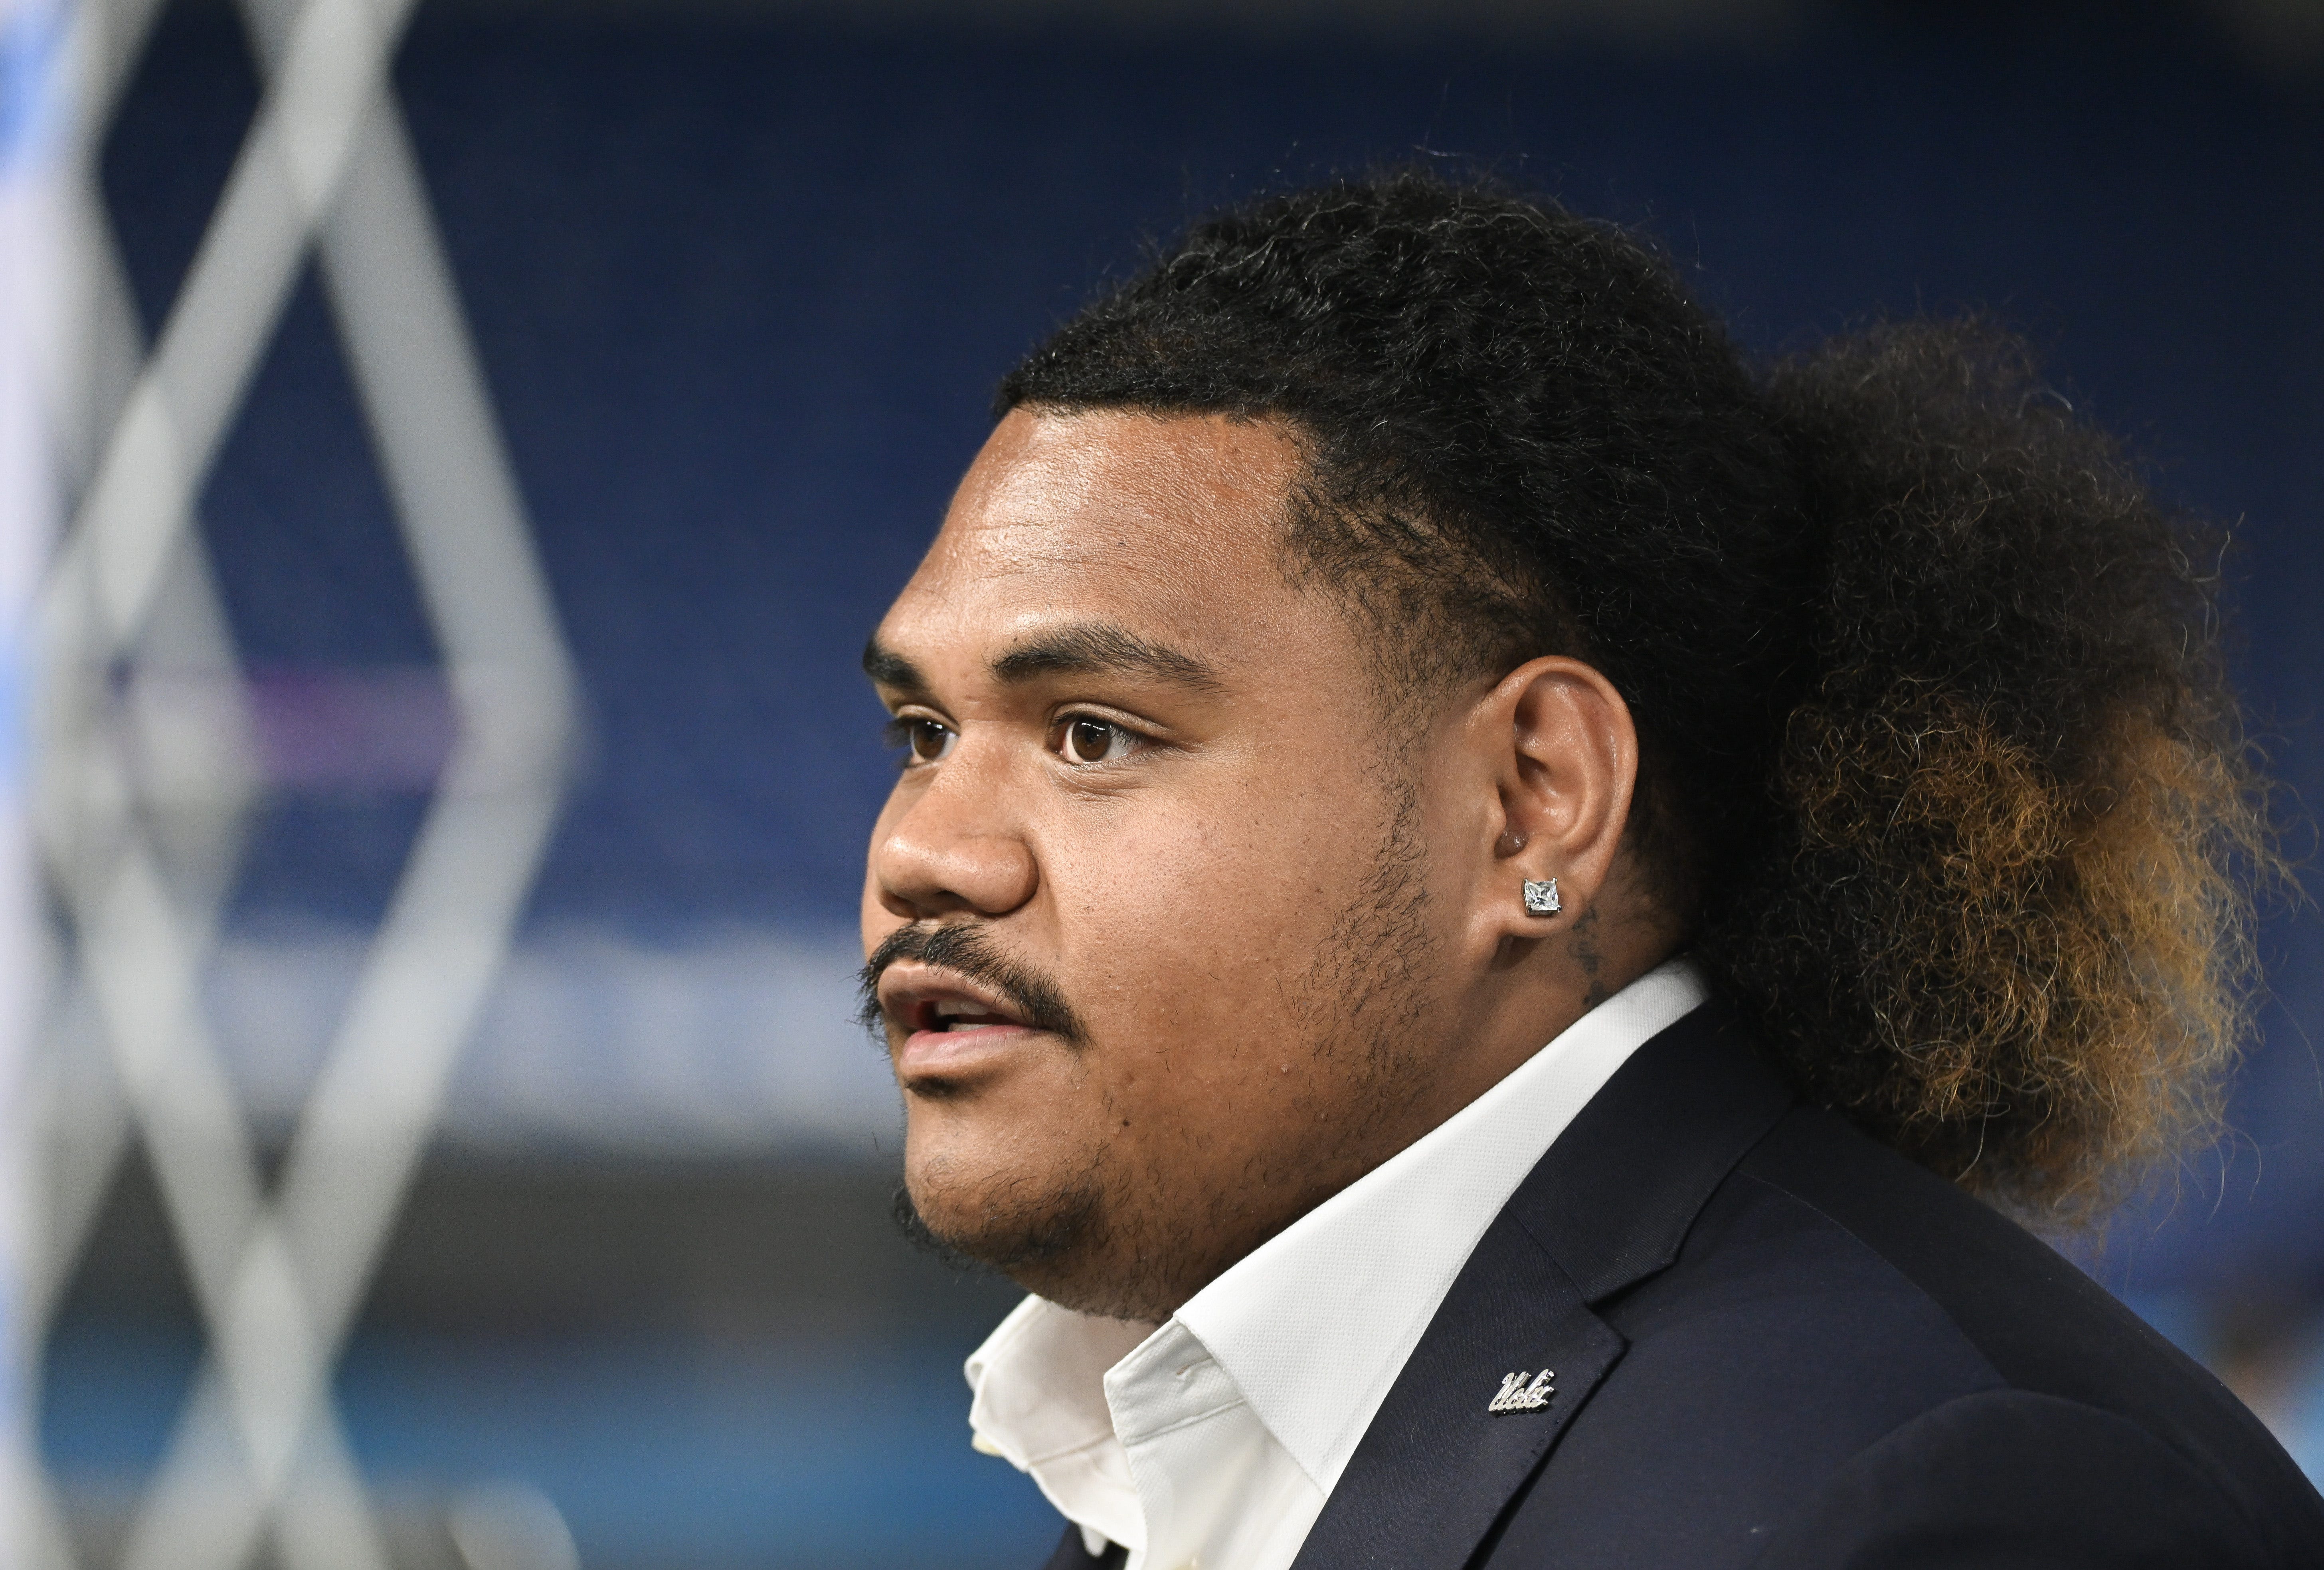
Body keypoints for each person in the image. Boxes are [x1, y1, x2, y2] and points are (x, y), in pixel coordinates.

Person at [854, 170, 2324, 1569]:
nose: (924, 850)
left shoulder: (1957, 1498)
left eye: (1095, 735)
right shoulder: (1173, 1464)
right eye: (921, 731)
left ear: (1532, 808)